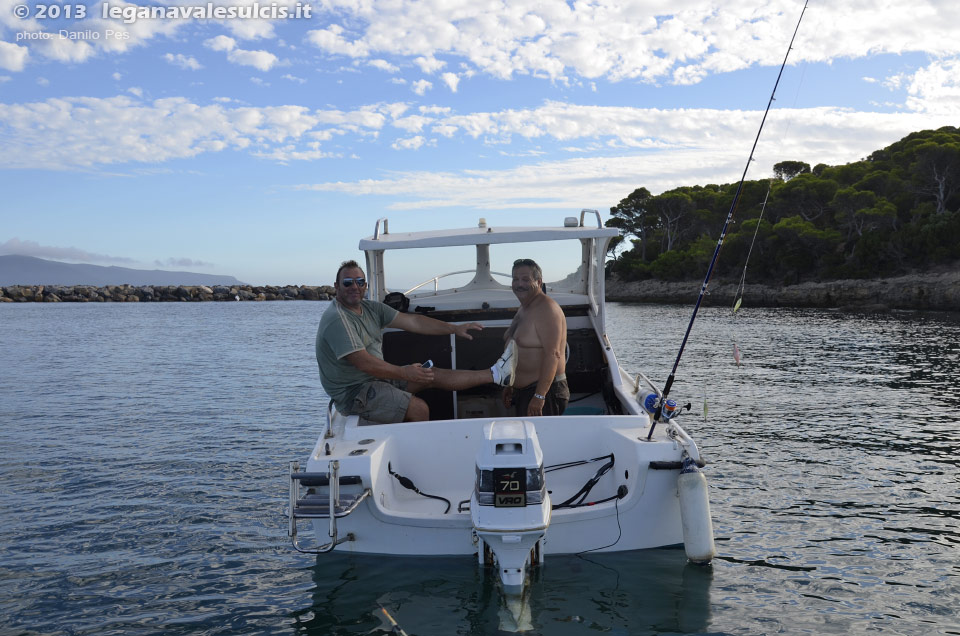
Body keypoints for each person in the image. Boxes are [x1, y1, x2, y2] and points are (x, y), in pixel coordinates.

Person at [316, 260, 517, 423]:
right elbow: (364, 363)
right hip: (354, 393)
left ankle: (496, 374)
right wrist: (405, 372)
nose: (354, 287)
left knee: (431, 374)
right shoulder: (337, 319)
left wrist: (454, 329)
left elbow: (414, 321)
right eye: (347, 282)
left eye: (360, 282)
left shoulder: (370, 308)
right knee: (419, 408)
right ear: (336, 287)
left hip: (374, 380)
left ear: (365, 285)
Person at [502, 258, 570, 417]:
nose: (519, 284)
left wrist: (539, 396)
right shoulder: (525, 307)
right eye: (515, 279)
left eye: (526, 279)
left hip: (544, 392)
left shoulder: (546, 309)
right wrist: (510, 385)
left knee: (542, 440)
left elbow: (553, 355)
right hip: (524, 391)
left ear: (539, 282)